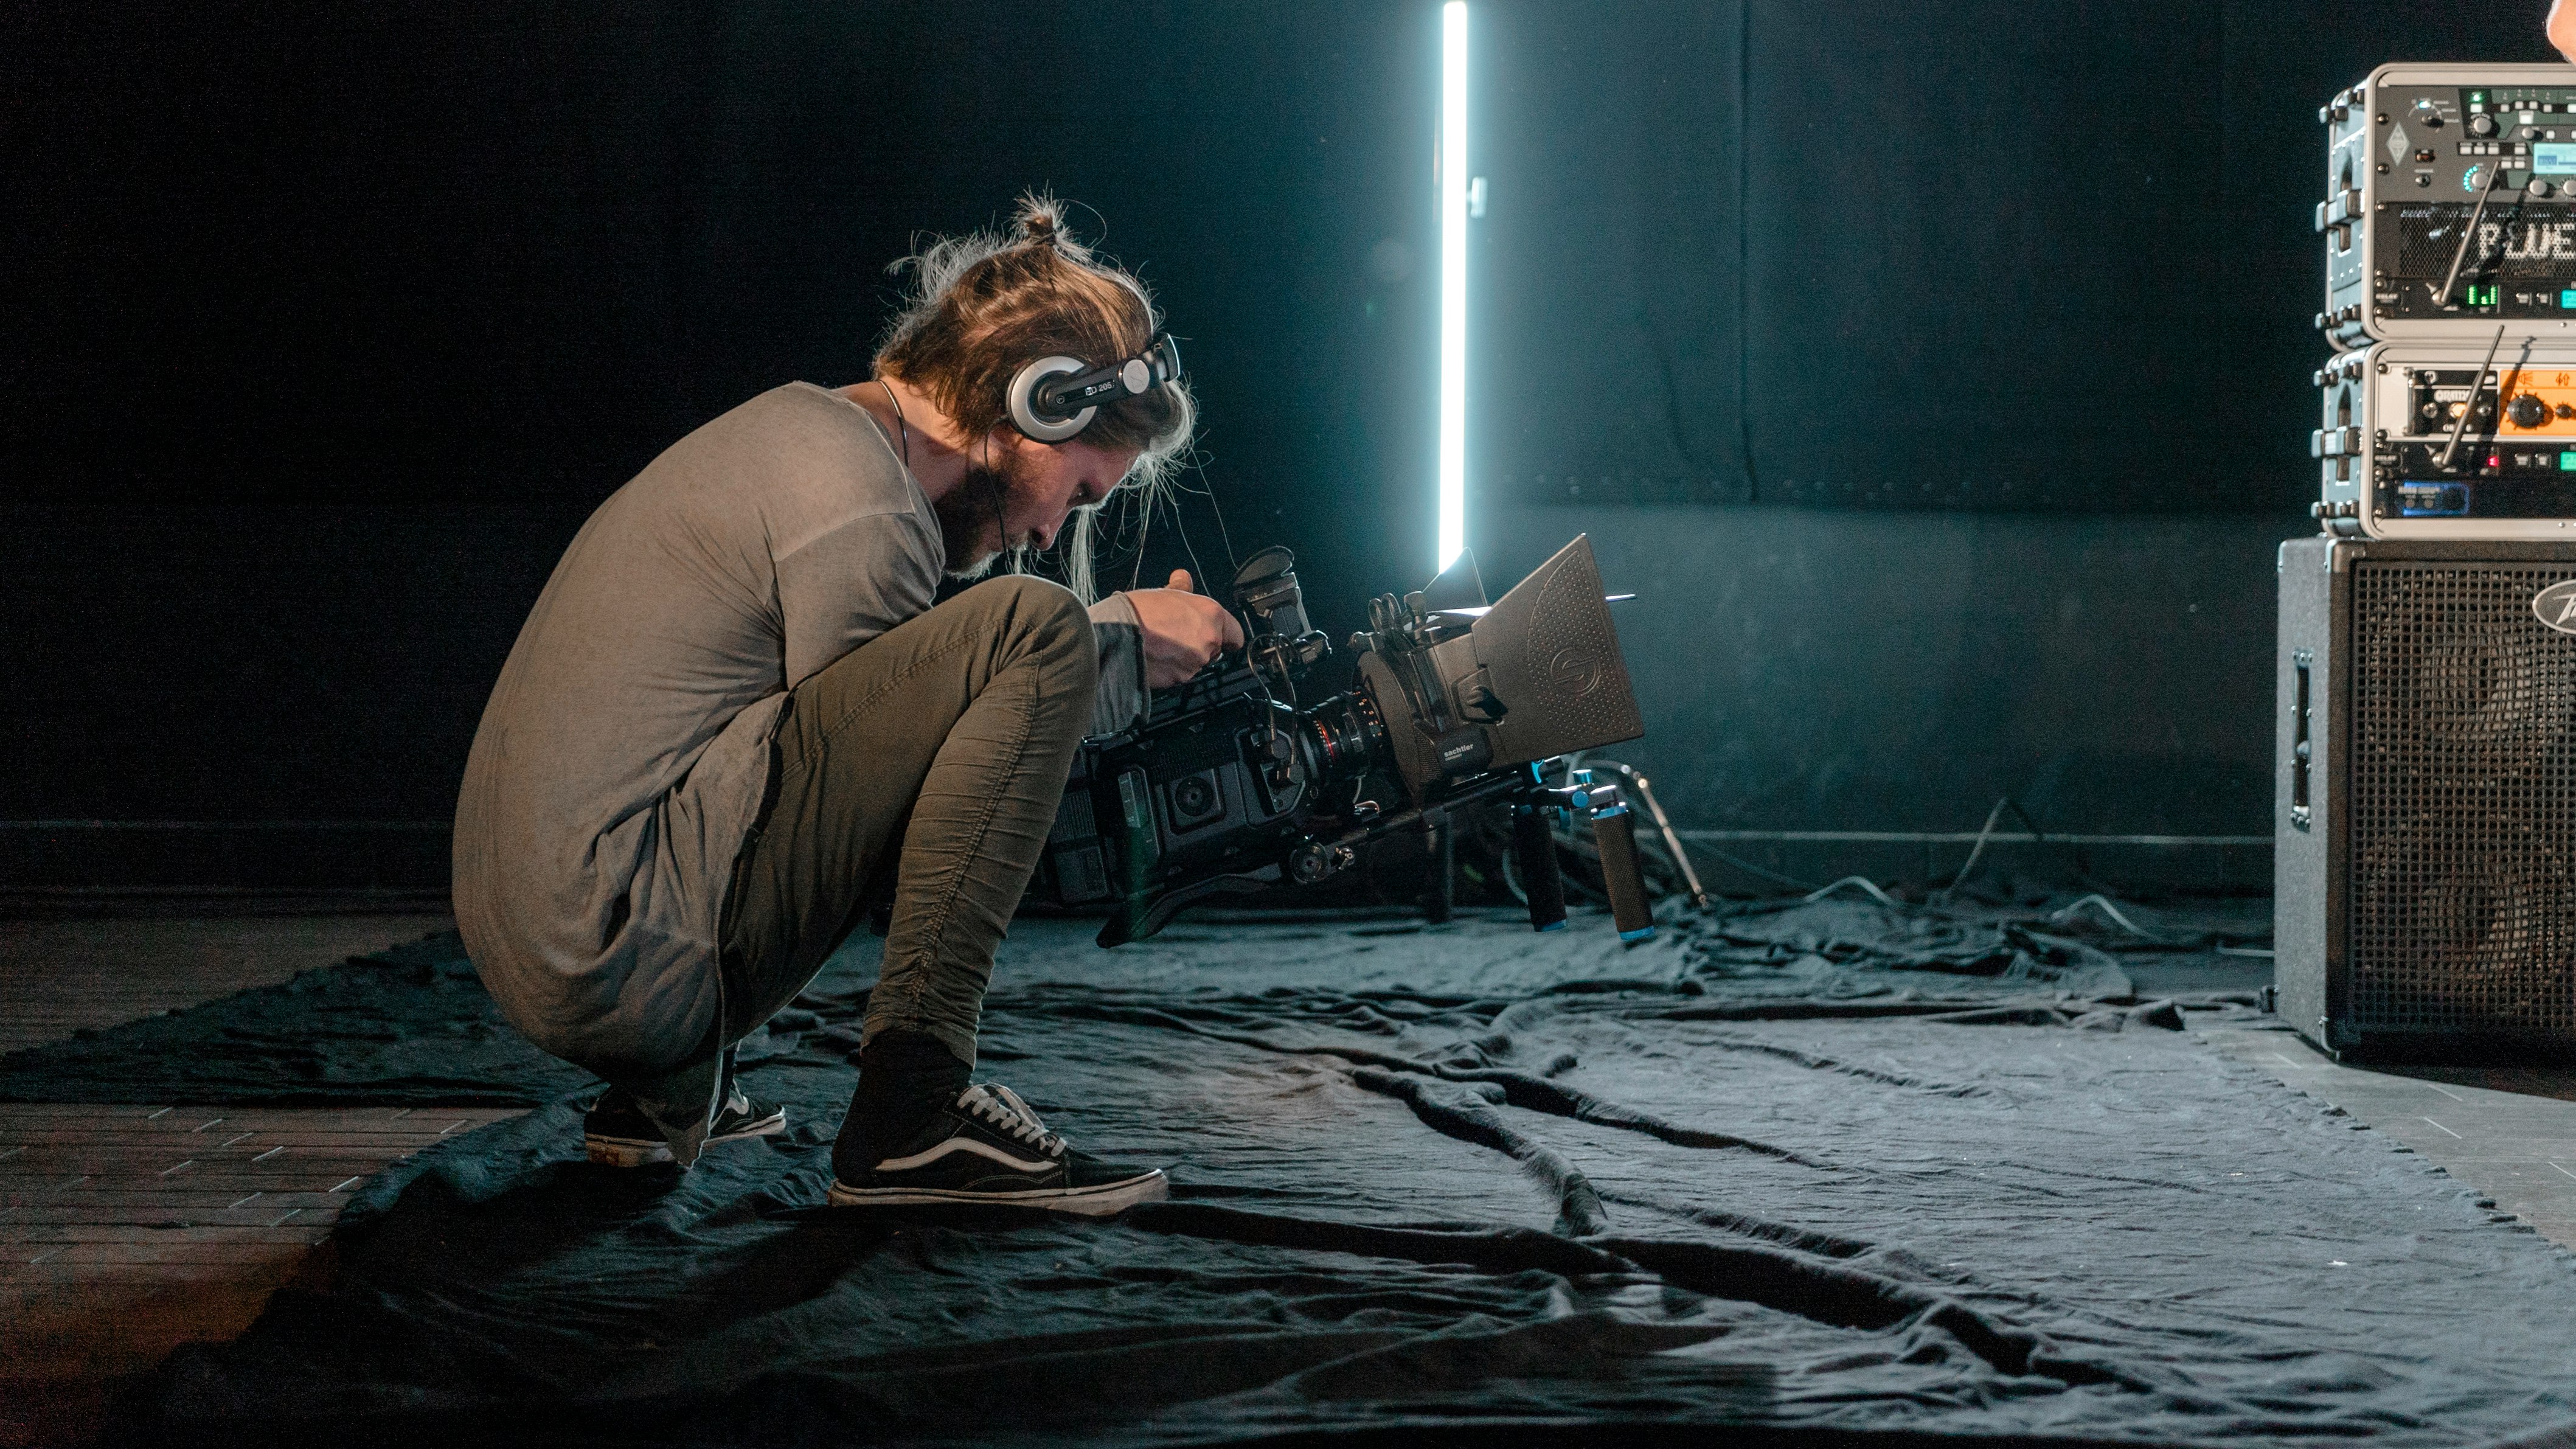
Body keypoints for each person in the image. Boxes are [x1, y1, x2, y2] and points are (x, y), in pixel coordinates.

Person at [452, 195, 1243, 1215]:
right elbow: (914, 784)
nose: (1053, 530)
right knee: (1035, 627)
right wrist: (1117, 647)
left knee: (1008, 638)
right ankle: (913, 1114)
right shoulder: (865, 505)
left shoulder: (811, 436)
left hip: (545, 936)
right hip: (612, 957)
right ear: (1040, 405)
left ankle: (659, 1094)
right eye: (1080, 493)